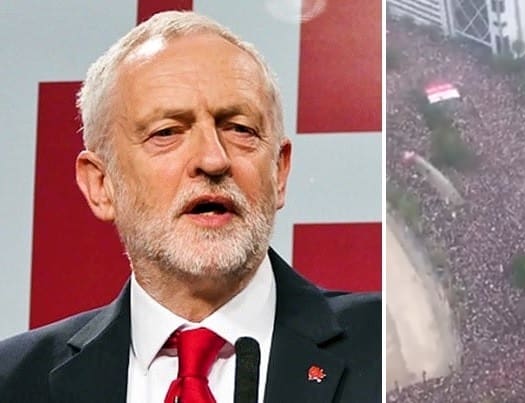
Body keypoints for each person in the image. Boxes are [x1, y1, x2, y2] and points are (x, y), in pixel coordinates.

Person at [0, 11, 381, 403]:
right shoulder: (13, 381)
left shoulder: (381, 348)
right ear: (101, 185)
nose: (213, 160)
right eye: (166, 133)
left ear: (279, 172)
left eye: (240, 129)